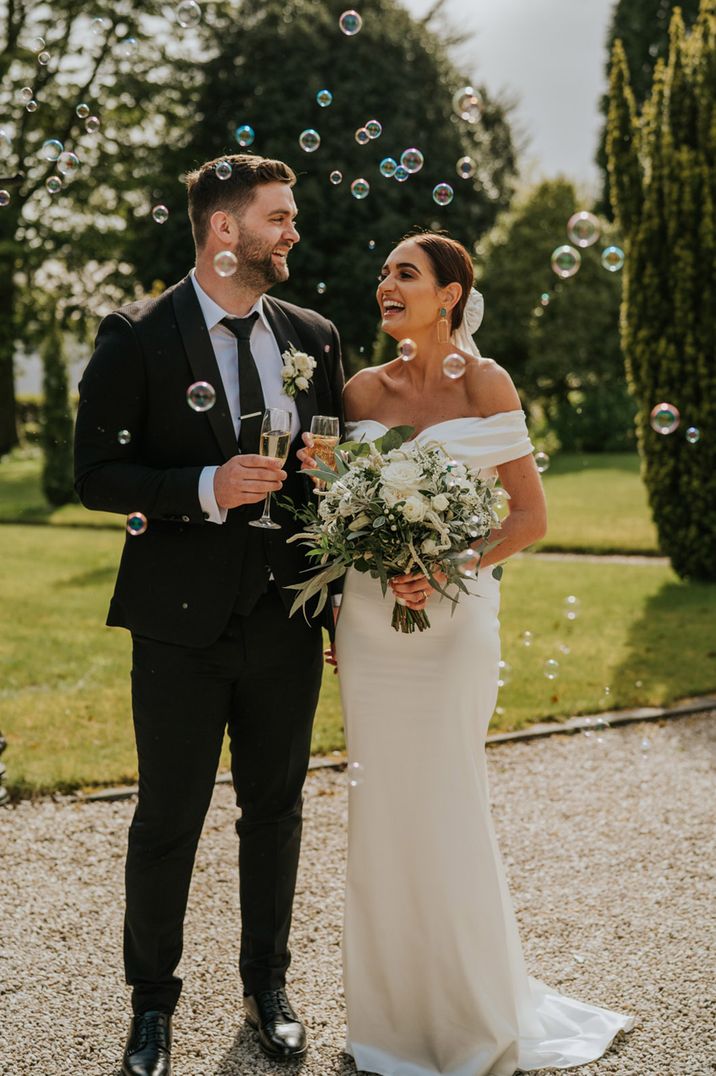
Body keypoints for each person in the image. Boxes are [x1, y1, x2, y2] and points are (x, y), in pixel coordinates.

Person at [301, 231, 634, 1075]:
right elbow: (343, 512)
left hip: (454, 621)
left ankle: (472, 1016)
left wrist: (443, 563)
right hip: (373, 626)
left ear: (449, 295)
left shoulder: (487, 383)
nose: (386, 284)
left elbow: (528, 518)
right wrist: (327, 482)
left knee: (447, 799)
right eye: (383, 273)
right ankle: (391, 1023)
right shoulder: (361, 389)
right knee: (381, 811)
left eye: (405, 274)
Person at [74, 153, 345, 1076]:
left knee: (275, 811)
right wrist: (205, 485)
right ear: (225, 230)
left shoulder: (312, 333)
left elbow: (333, 485)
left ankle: (267, 985)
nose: (293, 231)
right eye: (279, 217)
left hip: (284, 620)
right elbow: (95, 476)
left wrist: (337, 590)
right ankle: (151, 1008)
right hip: (179, 625)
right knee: (168, 818)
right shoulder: (137, 335)